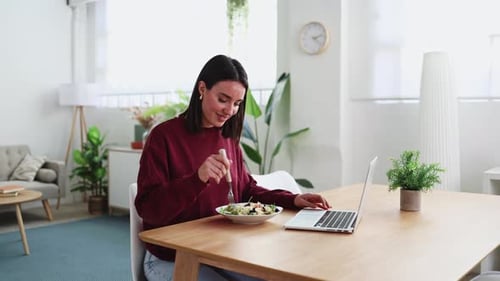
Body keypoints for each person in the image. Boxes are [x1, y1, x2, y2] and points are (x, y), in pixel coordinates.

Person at [135, 54, 331, 281]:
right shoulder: (164, 136)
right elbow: (148, 208)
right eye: (223, 99)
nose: (229, 110)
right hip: (173, 257)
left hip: (221, 251)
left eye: (237, 103)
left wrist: (293, 200)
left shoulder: (227, 138)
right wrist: (197, 179)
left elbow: (246, 191)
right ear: (202, 89)